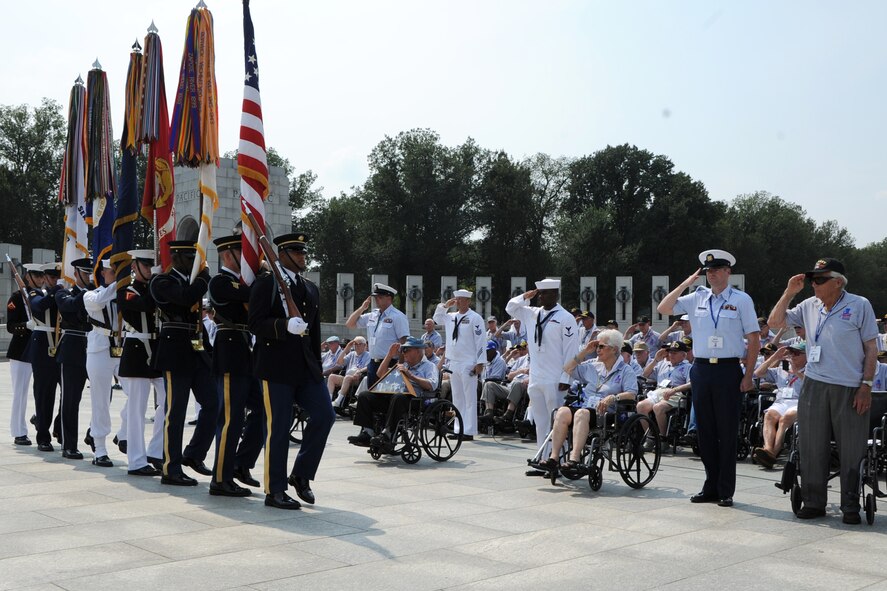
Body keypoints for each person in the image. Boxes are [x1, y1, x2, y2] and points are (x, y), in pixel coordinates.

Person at [768, 257, 878, 524]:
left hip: (850, 386)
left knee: (851, 449)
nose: (814, 284)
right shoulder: (809, 305)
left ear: (838, 282)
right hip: (815, 385)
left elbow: (871, 349)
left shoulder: (859, 305)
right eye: (813, 279)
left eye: (820, 279)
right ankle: (814, 501)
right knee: (811, 446)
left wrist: (866, 386)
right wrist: (789, 292)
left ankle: (850, 505)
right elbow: (774, 322)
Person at [657, 249, 759, 508]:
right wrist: (685, 284)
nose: (711, 274)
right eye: (707, 271)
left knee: (726, 430)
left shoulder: (741, 299)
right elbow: (664, 307)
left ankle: (725, 489)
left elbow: (754, 338)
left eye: (716, 270)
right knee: (704, 432)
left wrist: (748, 375)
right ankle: (710, 485)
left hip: (727, 369)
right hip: (701, 369)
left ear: (728, 272)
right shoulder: (696, 298)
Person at [249, 232, 335, 509]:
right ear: (282, 255)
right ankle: (274, 490)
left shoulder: (310, 288)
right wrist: (282, 326)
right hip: (276, 367)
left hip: (305, 367)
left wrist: (317, 368)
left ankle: (300, 474)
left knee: (325, 415)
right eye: (297, 253)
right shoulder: (267, 284)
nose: (303, 257)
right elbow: (255, 323)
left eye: (303, 252)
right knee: (278, 428)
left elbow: (314, 332)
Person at [149, 240, 220, 486]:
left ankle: (194, 454)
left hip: (197, 351)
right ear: (178, 258)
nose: (196, 264)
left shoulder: (192, 281)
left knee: (213, 403)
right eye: (192, 259)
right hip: (175, 351)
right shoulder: (162, 281)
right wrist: (204, 276)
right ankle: (171, 468)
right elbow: (185, 298)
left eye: (197, 259)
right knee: (176, 411)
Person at [206, 234, 263, 497]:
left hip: (246, 354)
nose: (249, 259)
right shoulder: (220, 281)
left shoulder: (240, 282)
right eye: (244, 253)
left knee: (263, 410)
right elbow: (254, 294)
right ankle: (220, 478)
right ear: (228, 254)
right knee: (230, 419)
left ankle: (241, 463)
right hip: (230, 353)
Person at [541, 329, 638, 472]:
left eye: (602, 346)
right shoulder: (593, 365)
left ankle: (574, 458)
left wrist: (613, 397)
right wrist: (585, 351)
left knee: (581, 413)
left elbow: (632, 394)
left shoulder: (625, 370)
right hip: (586, 408)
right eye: (597, 346)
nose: (598, 349)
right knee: (562, 411)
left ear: (614, 349)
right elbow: (567, 368)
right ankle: (554, 458)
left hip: (606, 413)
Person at [506, 278, 579, 449]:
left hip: (555, 377)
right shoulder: (532, 313)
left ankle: (558, 460)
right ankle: (543, 459)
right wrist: (525, 296)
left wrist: (566, 378)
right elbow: (510, 307)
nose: (540, 297)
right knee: (540, 422)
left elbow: (571, 351)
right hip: (536, 376)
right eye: (538, 293)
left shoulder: (565, 318)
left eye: (544, 293)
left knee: (557, 422)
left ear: (555, 294)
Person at [116, 250, 164, 476]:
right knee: (137, 410)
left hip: (157, 352)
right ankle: (136, 460)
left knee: (169, 402)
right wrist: (157, 281)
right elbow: (144, 305)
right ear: (135, 266)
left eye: (153, 265)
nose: (150, 269)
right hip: (137, 353)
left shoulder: (155, 286)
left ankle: (156, 451)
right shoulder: (127, 291)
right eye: (146, 265)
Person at [347, 337, 439, 448]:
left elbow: (431, 385)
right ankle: (367, 432)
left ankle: (388, 434)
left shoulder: (430, 366)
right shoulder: (404, 365)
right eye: (403, 350)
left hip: (414, 400)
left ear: (418, 351)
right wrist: (389, 355)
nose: (403, 352)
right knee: (365, 395)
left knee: (398, 397)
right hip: (394, 397)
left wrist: (411, 376)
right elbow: (380, 374)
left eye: (407, 350)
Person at [82, 258, 124, 467]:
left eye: (118, 271)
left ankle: (124, 432)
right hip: (99, 348)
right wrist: (122, 281)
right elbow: (100, 302)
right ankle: (100, 449)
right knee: (100, 401)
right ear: (102, 274)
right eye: (112, 271)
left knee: (136, 393)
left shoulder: (124, 292)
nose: (115, 275)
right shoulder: (91, 295)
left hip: (123, 347)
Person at [54, 258, 94, 461]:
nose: (89, 277)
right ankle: (69, 444)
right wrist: (90, 294)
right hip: (72, 349)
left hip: (95, 348)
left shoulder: (97, 293)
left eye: (91, 273)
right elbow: (68, 307)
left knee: (104, 397)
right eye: (86, 273)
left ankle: (94, 434)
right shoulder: (63, 292)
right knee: (71, 399)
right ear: (76, 273)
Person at [433, 289, 486, 440]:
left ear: (468, 301)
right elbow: (437, 318)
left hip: (469, 362)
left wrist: (480, 362)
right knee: (457, 398)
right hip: (453, 362)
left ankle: (469, 431)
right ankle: (458, 429)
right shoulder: (450, 317)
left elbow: (481, 340)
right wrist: (445, 306)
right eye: (457, 299)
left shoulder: (475, 318)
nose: (458, 302)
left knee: (469, 398)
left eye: (462, 299)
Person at [752, 342, 806, 469]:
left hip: (799, 402)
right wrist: (774, 357)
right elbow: (758, 373)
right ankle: (768, 449)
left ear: (807, 355)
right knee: (769, 415)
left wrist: (797, 372)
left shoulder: (811, 369)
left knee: (784, 419)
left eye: (797, 353)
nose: (792, 356)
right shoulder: (781, 369)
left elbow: (811, 385)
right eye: (791, 353)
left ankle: (772, 454)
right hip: (781, 401)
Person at [6, 263, 43, 446]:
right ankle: (19, 431)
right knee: (20, 393)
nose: (41, 280)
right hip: (21, 351)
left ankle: (39, 417)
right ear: (28, 277)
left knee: (43, 390)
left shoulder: (41, 297)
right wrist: (25, 326)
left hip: (39, 350)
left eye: (42, 276)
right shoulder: (17, 298)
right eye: (37, 276)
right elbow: (10, 327)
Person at [345, 283, 410, 386]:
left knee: (386, 397)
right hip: (373, 363)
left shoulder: (398, 316)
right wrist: (362, 308)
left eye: (380, 297)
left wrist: (400, 364)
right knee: (372, 396)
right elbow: (350, 324)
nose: (376, 299)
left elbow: (404, 342)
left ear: (389, 298)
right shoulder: (373, 315)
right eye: (375, 297)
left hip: (390, 363)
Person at [27, 264, 62, 452]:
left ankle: (59, 427)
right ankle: (43, 436)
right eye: (51, 278)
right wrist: (55, 292)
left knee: (69, 394)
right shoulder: (37, 294)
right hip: (42, 348)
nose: (55, 281)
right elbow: (39, 306)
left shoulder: (62, 293)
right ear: (45, 278)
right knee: (44, 395)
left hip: (62, 347)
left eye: (58, 278)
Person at [636, 340, 692, 438]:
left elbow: (691, 384)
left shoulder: (688, 367)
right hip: (659, 391)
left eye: (675, 353)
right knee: (640, 406)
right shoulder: (663, 364)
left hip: (675, 394)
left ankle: (663, 438)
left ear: (683, 355)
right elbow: (645, 374)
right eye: (670, 352)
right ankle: (649, 437)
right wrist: (655, 360)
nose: (671, 355)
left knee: (658, 407)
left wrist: (674, 390)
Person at [329, 337, 370, 409]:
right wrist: (346, 348)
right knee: (332, 377)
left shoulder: (368, 355)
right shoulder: (351, 354)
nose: (357, 346)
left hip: (358, 378)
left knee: (347, 377)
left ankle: (338, 401)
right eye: (355, 344)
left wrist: (359, 371)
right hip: (347, 377)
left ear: (364, 345)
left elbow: (368, 367)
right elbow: (339, 362)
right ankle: (328, 400)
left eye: (359, 344)